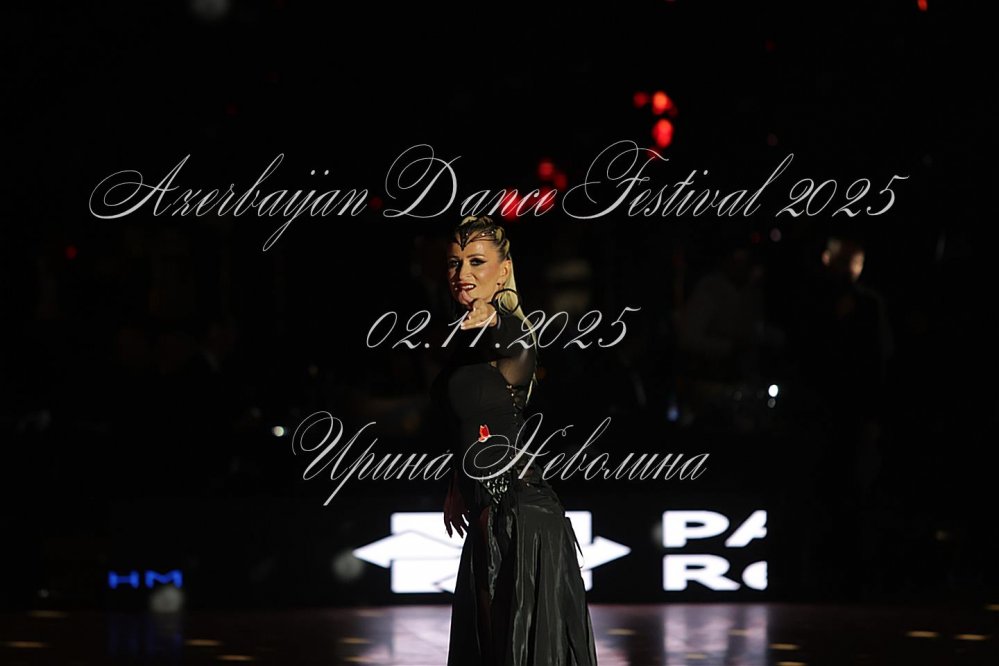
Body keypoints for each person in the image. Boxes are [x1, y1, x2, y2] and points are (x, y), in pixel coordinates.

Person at [433, 215, 598, 666]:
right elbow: (468, 421)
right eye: (454, 263)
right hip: (488, 511)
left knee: (516, 649)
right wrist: (456, 483)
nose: (462, 273)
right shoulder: (463, 340)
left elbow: (516, 343)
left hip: (521, 515)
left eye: (476, 261)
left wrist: (491, 316)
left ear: (504, 269)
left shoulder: (510, 330)